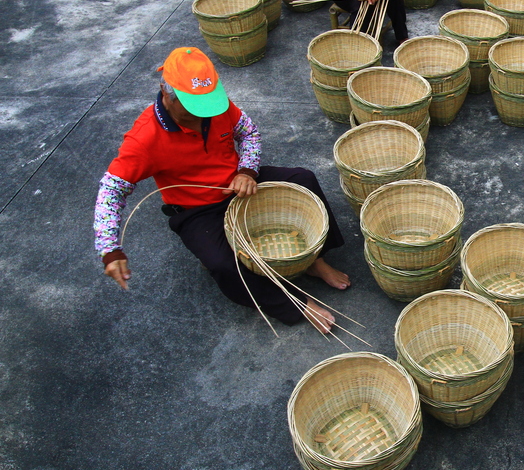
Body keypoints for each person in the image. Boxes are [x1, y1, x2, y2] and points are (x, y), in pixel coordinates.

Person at [93, 47, 351, 334]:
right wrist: (110, 249)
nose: (203, 117)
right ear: (166, 93)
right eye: (193, 109)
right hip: (197, 209)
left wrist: (247, 171)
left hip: (239, 185)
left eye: (207, 106)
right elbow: (112, 191)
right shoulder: (144, 139)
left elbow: (249, 133)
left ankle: (315, 260)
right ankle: (295, 304)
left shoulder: (216, 106)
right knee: (223, 264)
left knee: (303, 179)